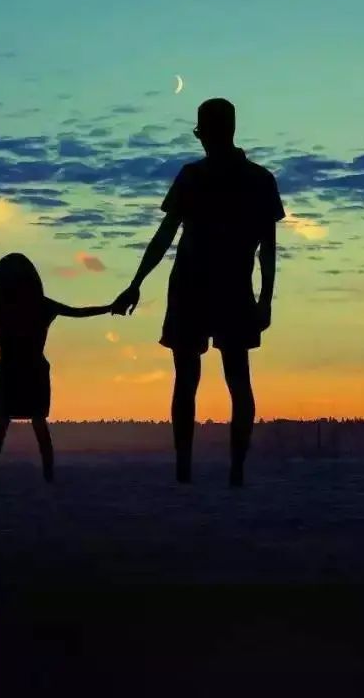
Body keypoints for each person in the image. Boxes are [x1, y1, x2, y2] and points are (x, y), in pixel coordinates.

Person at [112, 98, 285, 486]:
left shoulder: (204, 177)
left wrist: (136, 283)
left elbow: (166, 236)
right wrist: (264, 299)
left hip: (201, 288)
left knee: (202, 381)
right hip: (219, 289)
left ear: (205, 133)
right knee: (229, 380)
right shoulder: (256, 179)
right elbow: (267, 249)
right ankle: (217, 471)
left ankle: (196, 470)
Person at [0, 253, 111, 483]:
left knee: (7, 425)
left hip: (13, 370)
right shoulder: (37, 305)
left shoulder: (3, 306)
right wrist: (110, 307)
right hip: (29, 370)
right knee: (34, 424)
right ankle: (43, 476)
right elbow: (78, 312)